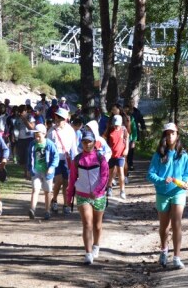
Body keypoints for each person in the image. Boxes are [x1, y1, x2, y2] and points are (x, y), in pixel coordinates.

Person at [146, 123, 188, 270]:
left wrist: (187, 182)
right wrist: (161, 181)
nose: (170, 136)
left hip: (178, 192)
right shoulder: (158, 155)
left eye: (172, 133)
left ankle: (177, 257)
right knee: (164, 225)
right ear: (164, 136)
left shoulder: (183, 155)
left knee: (177, 223)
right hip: (162, 193)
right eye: (167, 134)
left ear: (177, 135)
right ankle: (164, 250)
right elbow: (150, 174)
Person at [66, 129, 109, 265]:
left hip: (99, 196)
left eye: (89, 141)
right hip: (82, 195)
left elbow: (105, 178)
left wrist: (96, 192)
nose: (87, 144)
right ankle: (88, 253)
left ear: (94, 143)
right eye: (84, 142)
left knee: (97, 225)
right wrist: (69, 197)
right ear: (81, 143)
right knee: (87, 224)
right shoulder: (77, 160)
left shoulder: (101, 159)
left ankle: (96, 245)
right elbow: (72, 179)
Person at [47, 107, 77, 215]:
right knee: (59, 180)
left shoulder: (70, 130)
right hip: (55, 159)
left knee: (67, 182)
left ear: (65, 119)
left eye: (60, 118)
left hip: (67, 159)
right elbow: (48, 147)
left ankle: (66, 204)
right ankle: (54, 200)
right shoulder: (52, 131)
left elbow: (74, 147)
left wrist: (75, 160)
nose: (57, 119)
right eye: (56, 117)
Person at [26, 124, 58, 220]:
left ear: (44, 134)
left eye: (38, 134)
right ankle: (32, 209)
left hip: (47, 172)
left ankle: (47, 211)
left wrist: (52, 167)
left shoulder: (49, 144)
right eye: (35, 134)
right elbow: (29, 157)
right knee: (35, 189)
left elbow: (55, 157)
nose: (36, 136)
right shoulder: (32, 144)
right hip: (36, 171)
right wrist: (28, 169)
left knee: (47, 191)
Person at [105, 114, 129, 199]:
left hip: (120, 154)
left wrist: (126, 148)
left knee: (120, 172)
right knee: (110, 172)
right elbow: (105, 138)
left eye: (117, 124)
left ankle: (122, 190)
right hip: (111, 155)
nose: (116, 126)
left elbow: (127, 139)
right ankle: (109, 188)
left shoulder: (123, 129)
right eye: (115, 124)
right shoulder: (110, 129)